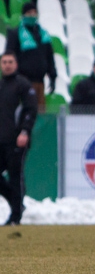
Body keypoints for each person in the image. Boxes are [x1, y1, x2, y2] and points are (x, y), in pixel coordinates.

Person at [0, 52, 37, 225]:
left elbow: (31, 110)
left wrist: (24, 131)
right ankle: (17, 203)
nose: (7, 65)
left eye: (10, 62)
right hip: (0, 140)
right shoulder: (1, 85)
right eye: (4, 62)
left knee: (16, 177)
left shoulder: (22, 85)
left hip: (16, 140)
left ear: (16, 64)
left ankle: (15, 217)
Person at [4, 3, 56, 109]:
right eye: (29, 13)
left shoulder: (43, 34)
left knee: (40, 115)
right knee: (24, 111)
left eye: (34, 13)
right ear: (23, 15)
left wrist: (53, 76)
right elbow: (10, 56)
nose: (32, 15)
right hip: (22, 83)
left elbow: (49, 57)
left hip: (40, 82)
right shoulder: (15, 34)